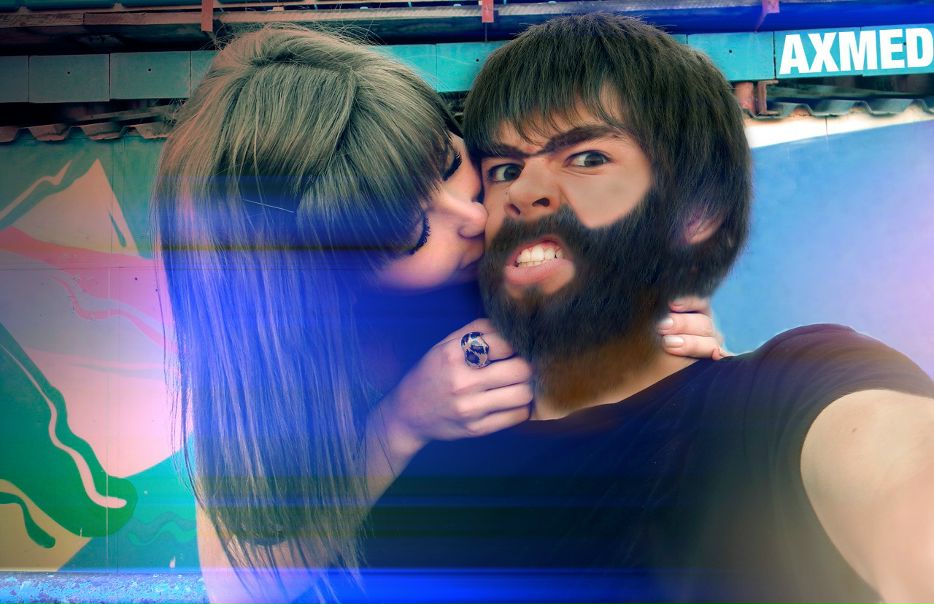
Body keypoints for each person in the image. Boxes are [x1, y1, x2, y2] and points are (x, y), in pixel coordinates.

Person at [361, 14, 934, 603]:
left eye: (588, 158)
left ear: (696, 212)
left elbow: (899, 471)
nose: (521, 193)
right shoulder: (408, 469)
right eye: (505, 170)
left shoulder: (786, 395)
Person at [150, 24, 724, 603]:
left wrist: (653, 340)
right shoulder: (282, 364)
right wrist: (402, 423)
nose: (470, 216)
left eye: (448, 163)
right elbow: (241, 587)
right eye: (413, 234)